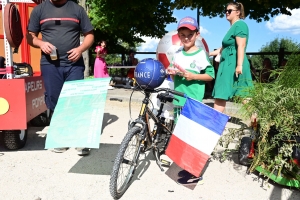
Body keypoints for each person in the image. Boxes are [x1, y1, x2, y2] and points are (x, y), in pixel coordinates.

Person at [26, 0, 94, 156]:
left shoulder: (77, 10)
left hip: (73, 64)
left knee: (76, 99)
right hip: (50, 65)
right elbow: (30, 36)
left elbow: (89, 35)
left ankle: (80, 139)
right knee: (54, 99)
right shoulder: (39, 10)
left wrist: (80, 49)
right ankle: (62, 137)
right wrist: (40, 44)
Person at [166, 16, 215, 185]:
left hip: (193, 101)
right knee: (182, 133)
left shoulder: (201, 54)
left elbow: (210, 75)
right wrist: (171, 71)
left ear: (197, 34)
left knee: (193, 135)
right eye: (182, 35)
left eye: (190, 34)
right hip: (179, 99)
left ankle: (195, 171)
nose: (186, 38)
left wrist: (193, 76)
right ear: (178, 35)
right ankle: (186, 165)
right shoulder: (178, 53)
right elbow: (172, 72)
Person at [209, 2, 253, 113]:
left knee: (233, 93)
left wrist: (239, 65)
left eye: (229, 11)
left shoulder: (240, 25)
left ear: (238, 12)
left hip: (233, 63)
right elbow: (222, 49)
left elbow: (241, 45)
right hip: (229, 63)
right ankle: (256, 121)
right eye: (226, 11)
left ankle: (215, 122)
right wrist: (207, 53)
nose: (226, 13)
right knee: (241, 93)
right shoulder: (233, 27)